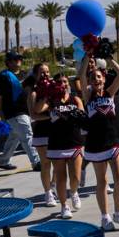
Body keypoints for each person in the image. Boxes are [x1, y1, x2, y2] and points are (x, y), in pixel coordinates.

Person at [79, 51, 119, 231]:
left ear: (104, 78)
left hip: (112, 142)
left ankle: (118, 213)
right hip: (95, 144)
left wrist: (109, 58)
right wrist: (87, 55)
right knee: (101, 181)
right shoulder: (88, 97)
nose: (97, 80)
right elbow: (81, 75)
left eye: (99, 77)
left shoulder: (110, 93)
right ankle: (105, 217)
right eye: (93, 78)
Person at [34, 73, 84, 219]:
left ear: (68, 84)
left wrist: (75, 113)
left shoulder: (75, 99)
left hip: (74, 142)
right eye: (59, 82)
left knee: (75, 176)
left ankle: (74, 192)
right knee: (61, 177)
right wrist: (46, 94)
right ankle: (64, 206)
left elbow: (82, 114)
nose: (63, 84)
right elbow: (37, 110)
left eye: (65, 81)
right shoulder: (51, 101)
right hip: (56, 143)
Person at [0, 51, 40, 172]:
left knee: (14, 137)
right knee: (27, 134)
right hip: (14, 112)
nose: (18, 61)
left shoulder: (25, 74)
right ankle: (36, 162)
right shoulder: (3, 76)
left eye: (19, 59)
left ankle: (3, 161)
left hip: (25, 110)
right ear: (8, 62)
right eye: (15, 59)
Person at [26, 62, 57, 206]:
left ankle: (54, 185)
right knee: (46, 164)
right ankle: (47, 193)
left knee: (58, 163)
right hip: (41, 133)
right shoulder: (33, 93)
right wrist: (50, 116)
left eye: (47, 71)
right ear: (36, 75)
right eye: (41, 72)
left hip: (56, 131)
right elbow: (33, 115)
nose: (45, 74)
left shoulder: (56, 88)